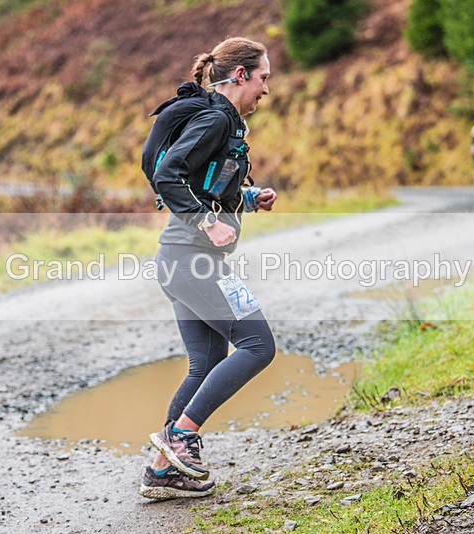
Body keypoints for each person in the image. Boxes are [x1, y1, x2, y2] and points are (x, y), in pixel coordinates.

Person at [139, 37, 278, 500]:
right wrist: (204, 222)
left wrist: (249, 198)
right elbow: (168, 175)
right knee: (258, 345)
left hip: (180, 261)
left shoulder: (226, 124)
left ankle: (163, 469)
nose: (265, 90)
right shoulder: (216, 117)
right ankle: (181, 438)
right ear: (240, 75)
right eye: (262, 79)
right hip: (192, 260)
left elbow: (207, 185)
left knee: (207, 360)